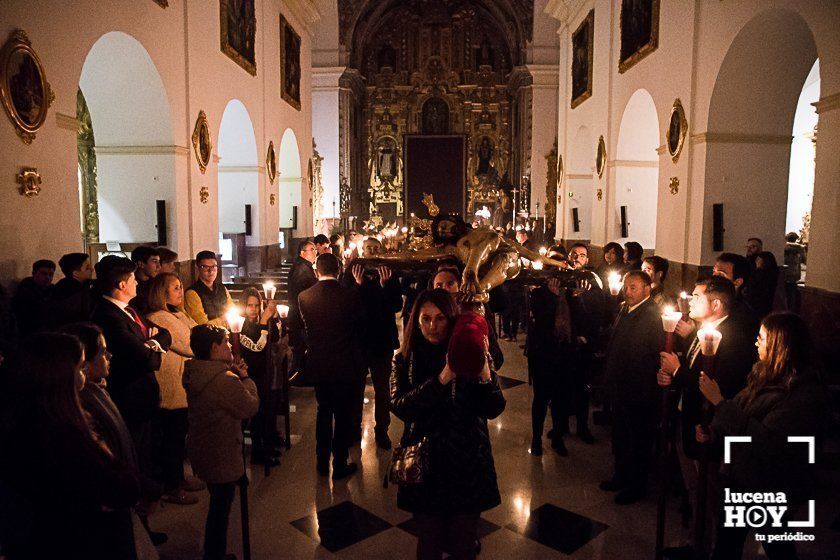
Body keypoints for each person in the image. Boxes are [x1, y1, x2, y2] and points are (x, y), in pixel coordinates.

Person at [697, 313, 829, 560]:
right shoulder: (765, 372)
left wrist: (719, 402)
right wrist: (714, 431)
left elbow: (767, 441)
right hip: (742, 478)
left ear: (781, 344)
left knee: (777, 544)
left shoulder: (803, 394)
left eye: (762, 338)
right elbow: (741, 405)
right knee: (726, 546)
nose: (756, 343)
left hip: (771, 485)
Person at [0, 333, 140, 559]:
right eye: (80, 366)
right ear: (61, 375)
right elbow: (121, 488)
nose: (84, 372)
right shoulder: (63, 436)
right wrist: (100, 448)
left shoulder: (24, 424)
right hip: (80, 544)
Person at [390, 289, 506, 560]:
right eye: (425, 319)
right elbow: (400, 405)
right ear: (415, 321)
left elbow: (494, 407)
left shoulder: (468, 350)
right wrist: (442, 378)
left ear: (452, 319)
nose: (432, 326)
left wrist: (484, 374)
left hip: (467, 463)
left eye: (440, 318)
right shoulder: (404, 358)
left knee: (463, 544)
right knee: (428, 543)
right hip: (425, 464)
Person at [658, 276, 757, 559]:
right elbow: (690, 369)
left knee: (711, 497)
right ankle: (695, 544)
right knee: (694, 491)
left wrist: (678, 372)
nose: (690, 301)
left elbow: (718, 386)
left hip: (709, 431)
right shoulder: (701, 331)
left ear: (716, 304)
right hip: (686, 421)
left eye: (697, 297)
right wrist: (669, 376)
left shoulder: (732, 339)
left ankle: (711, 551)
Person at [65, 322, 166, 554]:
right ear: (85, 365)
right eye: (102, 352)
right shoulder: (86, 406)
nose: (109, 356)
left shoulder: (99, 391)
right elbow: (105, 460)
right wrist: (140, 487)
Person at [91, 255, 172, 489]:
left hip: (143, 396)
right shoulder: (108, 317)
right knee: (134, 453)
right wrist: (152, 346)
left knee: (146, 450)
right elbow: (146, 360)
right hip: (129, 396)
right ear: (122, 285)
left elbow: (165, 333)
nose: (138, 282)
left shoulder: (129, 310)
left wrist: (152, 343)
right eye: (133, 279)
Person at [184, 324, 259, 560]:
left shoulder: (197, 371)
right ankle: (214, 555)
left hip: (205, 447)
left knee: (217, 503)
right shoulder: (223, 380)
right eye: (226, 342)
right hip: (222, 452)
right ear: (215, 348)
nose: (229, 346)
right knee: (220, 509)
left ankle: (213, 552)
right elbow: (250, 406)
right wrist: (245, 379)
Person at [299, 253, 365, 479]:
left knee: (323, 412)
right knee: (343, 415)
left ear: (317, 271)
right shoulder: (349, 296)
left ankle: (320, 460)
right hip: (345, 364)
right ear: (339, 270)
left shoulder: (304, 297)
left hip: (319, 363)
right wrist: (358, 286)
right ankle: (339, 463)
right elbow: (358, 325)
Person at [599, 270, 663, 504]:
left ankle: (636, 485)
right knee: (621, 435)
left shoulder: (652, 316)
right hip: (621, 386)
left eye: (633, 287)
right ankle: (621, 475)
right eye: (626, 287)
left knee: (638, 440)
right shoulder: (626, 308)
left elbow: (649, 356)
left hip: (638, 389)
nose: (628, 291)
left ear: (647, 289)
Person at [145, 272, 202, 505]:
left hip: (182, 384)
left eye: (181, 287)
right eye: (176, 288)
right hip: (170, 387)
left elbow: (198, 332)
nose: (181, 292)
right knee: (171, 438)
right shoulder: (159, 317)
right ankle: (170, 485)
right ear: (162, 292)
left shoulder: (177, 313)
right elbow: (191, 344)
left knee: (178, 437)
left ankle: (178, 478)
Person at [348, 261, 401, 450]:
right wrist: (358, 284)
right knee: (356, 389)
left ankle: (382, 430)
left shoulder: (389, 275)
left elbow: (396, 305)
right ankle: (354, 429)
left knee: (382, 390)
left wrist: (386, 285)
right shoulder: (354, 273)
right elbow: (349, 307)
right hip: (359, 343)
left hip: (382, 342)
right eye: (368, 249)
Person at [526, 276, 573, 456]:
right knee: (541, 398)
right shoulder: (539, 293)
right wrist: (554, 297)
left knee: (561, 399)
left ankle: (558, 437)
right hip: (543, 353)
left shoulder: (570, 293)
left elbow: (580, 319)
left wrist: (577, 298)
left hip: (564, 353)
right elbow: (541, 321)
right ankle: (536, 438)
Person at [432, 267, 504, 370]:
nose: (444, 289)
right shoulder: (430, 317)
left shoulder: (474, 313)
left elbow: (497, 358)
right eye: (439, 285)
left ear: (460, 286)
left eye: (450, 284)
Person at [239, 287, 280, 465]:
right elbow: (257, 346)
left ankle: (267, 446)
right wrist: (264, 320)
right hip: (250, 375)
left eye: (257, 305)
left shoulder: (261, 321)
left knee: (266, 411)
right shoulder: (240, 326)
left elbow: (275, 337)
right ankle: (257, 452)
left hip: (264, 372)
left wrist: (274, 317)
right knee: (256, 415)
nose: (254, 309)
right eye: (250, 305)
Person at [286, 240, 318, 381]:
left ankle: (301, 374)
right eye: (312, 249)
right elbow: (303, 293)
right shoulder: (302, 269)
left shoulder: (304, 266)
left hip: (300, 315)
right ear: (303, 253)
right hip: (300, 316)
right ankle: (298, 377)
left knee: (302, 347)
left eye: (315, 249)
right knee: (301, 347)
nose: (315, 252)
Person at [713, 253, 760, 338]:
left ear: (737, 282)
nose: (713, 277)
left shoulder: (743, 316)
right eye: (714, 272)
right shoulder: (711, 301)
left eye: (721, 274)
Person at [184, 251, 232, 326]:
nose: (211, 271)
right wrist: (224, 319)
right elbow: (203, 325)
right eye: (206, 267)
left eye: (214, 266)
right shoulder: (192, 293)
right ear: (198, 268)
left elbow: (233, 315)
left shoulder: (222, 288)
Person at [11, 258, 55, 337]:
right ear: (34, 273)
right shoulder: (26, 291)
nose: (48, 277)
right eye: (44, 274)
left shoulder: (52, 289)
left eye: (51, 274)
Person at [51, 252, 94, 328]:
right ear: (75, 273)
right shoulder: (70, 294)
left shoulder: (83, 287)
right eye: (87, 267)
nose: (92, 269)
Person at [747, 251, 780, 318]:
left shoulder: (763, 274)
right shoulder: (772, 273)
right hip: (764, 303)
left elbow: (755, 287)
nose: (756, 261)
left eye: (758, 259)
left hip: (759, 303)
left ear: (765, 261)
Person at [129, 246, 161, 313]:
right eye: (154, 261)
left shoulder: (156, 282)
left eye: (159, 262)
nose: (159, 266)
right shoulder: (131, 286)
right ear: (141, 264)